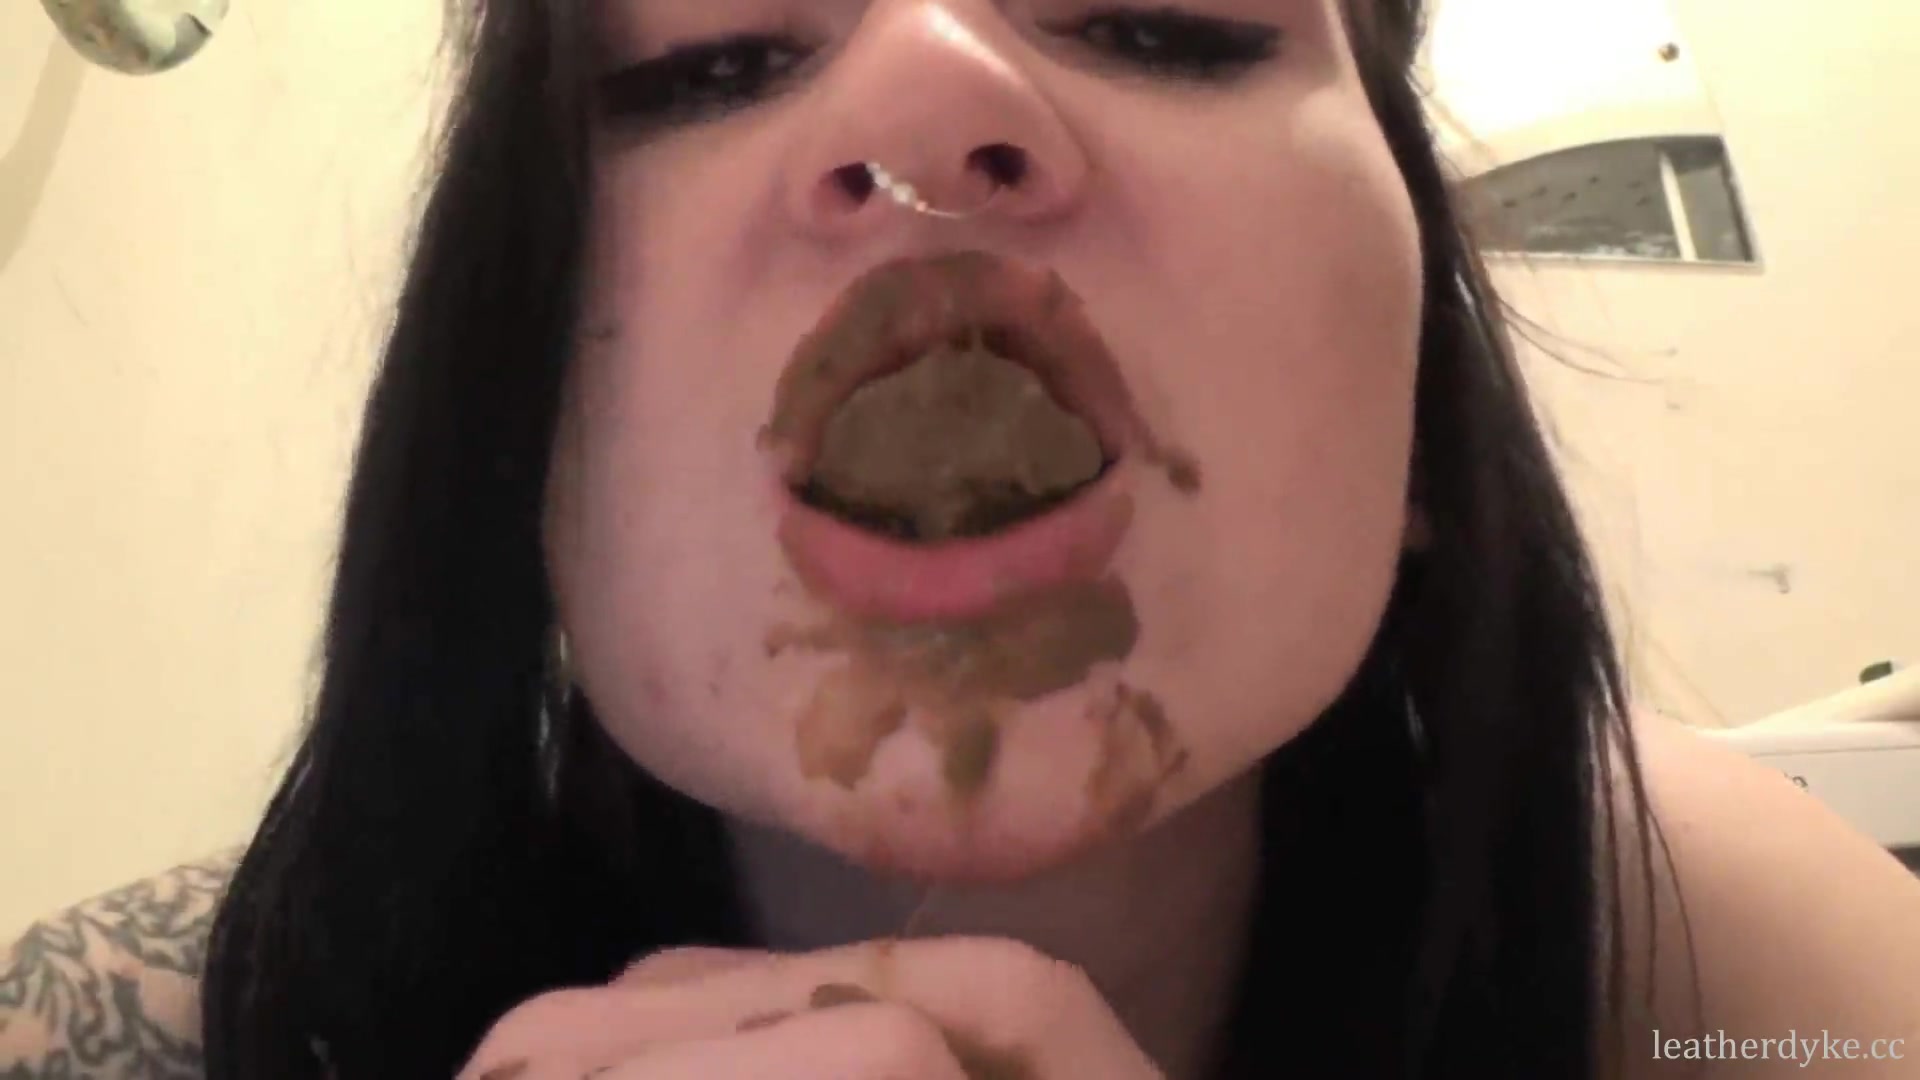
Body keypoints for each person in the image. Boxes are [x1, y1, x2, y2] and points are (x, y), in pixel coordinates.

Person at [5, 0, 1918, 1076]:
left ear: (1418, 414)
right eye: (707, 61)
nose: (930, 91)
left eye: (1164, 19)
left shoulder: (1713, 952)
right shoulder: (127, 1032)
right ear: (514, 439)